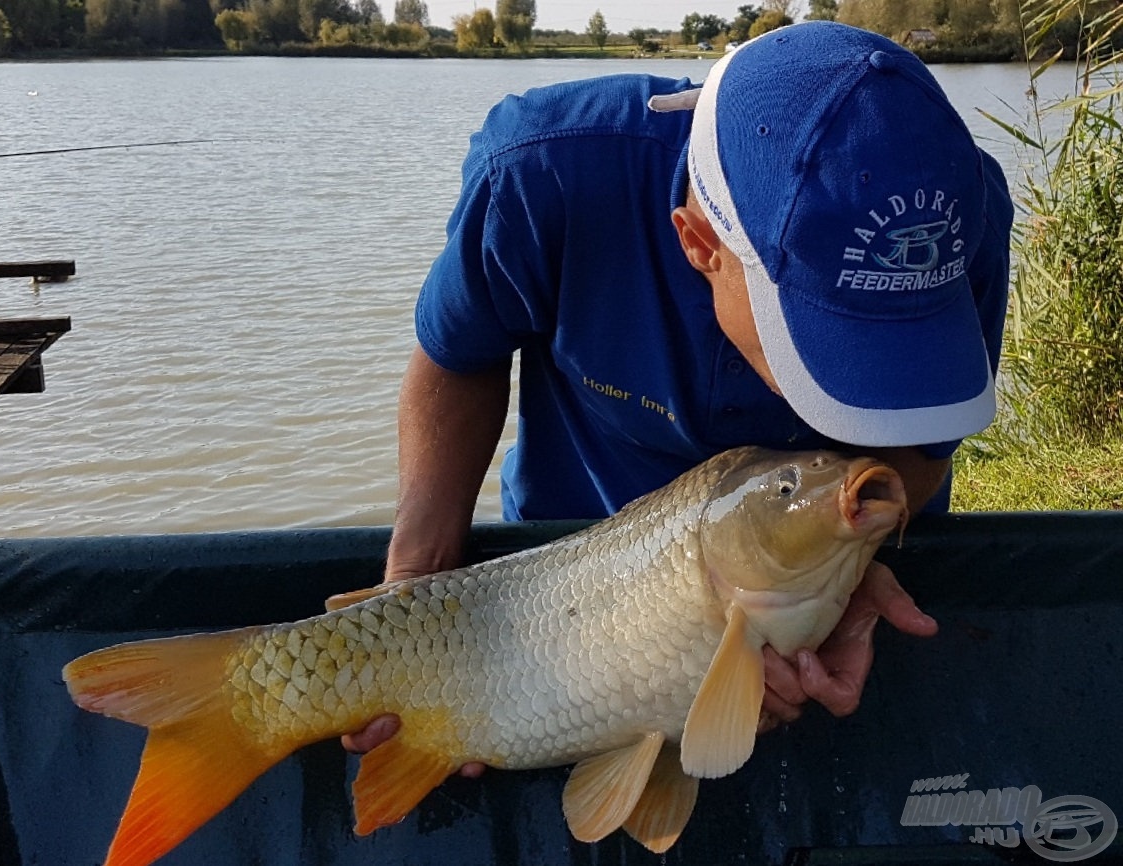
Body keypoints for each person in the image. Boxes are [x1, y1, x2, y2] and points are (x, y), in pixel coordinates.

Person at [344, 21, 1014, 776]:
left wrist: (847, 570)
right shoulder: (542, 174)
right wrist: (413, 586)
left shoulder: (953, 221)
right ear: (698, 242)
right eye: (829, 343)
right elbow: (458, 356)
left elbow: (924, 440)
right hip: (564, 582)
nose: (857, 386)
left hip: (807, 546)